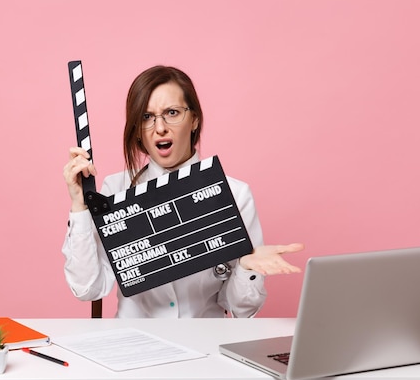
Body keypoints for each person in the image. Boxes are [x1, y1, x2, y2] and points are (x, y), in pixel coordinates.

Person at [62, 65, 303, 318]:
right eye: (146, 117)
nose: (160, 128)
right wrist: (79, 207)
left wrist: (245, 267)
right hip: (136, 344)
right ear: (137, 131)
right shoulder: (114, 191)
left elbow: (242, 309)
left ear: (194, 119)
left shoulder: (235, 193)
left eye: (172, 112)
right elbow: (87, 288)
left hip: (204, 345)